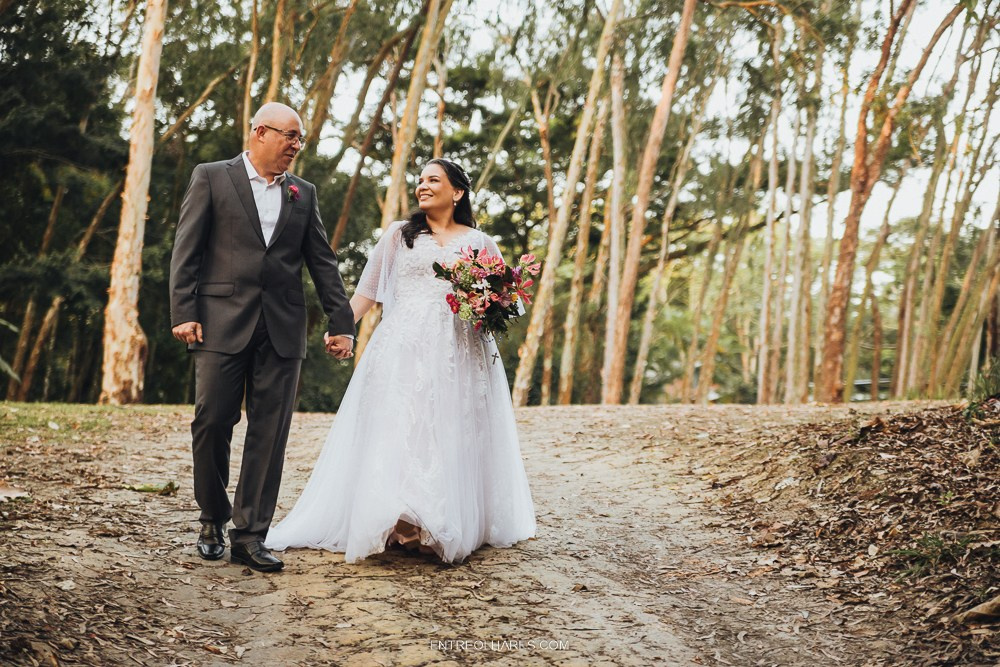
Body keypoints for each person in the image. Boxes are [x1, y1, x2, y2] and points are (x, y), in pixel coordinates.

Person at [265, 158, 536, 564]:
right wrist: (343, 328)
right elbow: (369, 290)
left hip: (459, 349)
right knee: (400, 426)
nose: (423, 186)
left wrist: (489, 302)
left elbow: (507, 302)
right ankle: (400, 518)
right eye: (420, 180)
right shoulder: (398, 236)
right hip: (403, 346)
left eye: (433, 180)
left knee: (450, 428)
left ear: (457, 192)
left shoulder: (480, 243)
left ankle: (441, 519)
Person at [169, 102, 356, 572]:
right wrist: (184, 311)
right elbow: (186, 248)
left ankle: (250, 535)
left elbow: (322, 261)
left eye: (300, 139)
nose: (296, 145)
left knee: (270, 434)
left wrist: (341, 322)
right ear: (259, 132)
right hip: (217, 321)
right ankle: (212, 516)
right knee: (212, 420)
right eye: (290, 136)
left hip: (283, 327)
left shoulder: (303, 193)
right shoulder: (212, 176)